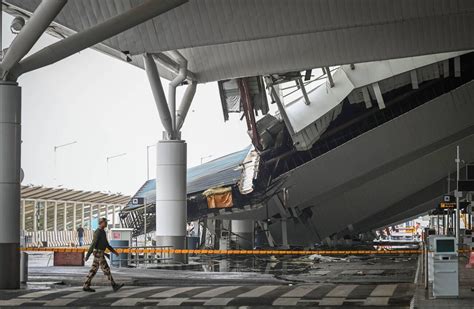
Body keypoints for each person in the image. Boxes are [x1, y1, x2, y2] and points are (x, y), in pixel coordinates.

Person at [83, 218, 123, 292]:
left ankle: (86, 285)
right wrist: (87, 255)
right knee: (106, 269)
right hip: (98, 253)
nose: (106, 223)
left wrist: (114, 252)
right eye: (105, 222)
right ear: (101, 223)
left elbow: (106, 244)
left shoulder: (103, 232)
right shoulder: (98, 232)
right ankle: (114, 285)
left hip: (100, 253)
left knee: (93, 270)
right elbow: (93, 244)